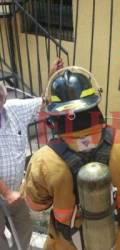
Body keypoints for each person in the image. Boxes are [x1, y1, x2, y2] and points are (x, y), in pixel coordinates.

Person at [23, 66, 120, 250]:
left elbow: (36, 205)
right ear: (94, 105)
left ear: (55, 115)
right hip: (118, 242)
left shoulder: (43, 160)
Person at [0, 58, 64, 250]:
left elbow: (43, 104)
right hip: (7, 191)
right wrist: (6, 192)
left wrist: (52, 76)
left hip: (14, 193)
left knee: (24, 229)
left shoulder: (12, 109)